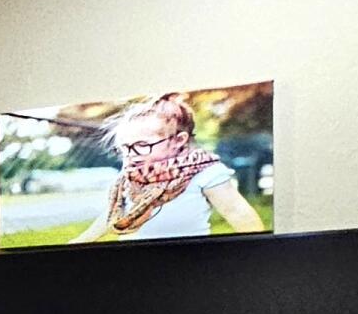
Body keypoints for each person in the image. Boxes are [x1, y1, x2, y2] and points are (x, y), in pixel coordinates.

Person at [72, 95, 264, 242]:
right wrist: (80, 241)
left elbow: (236, 211)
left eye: (142, 144)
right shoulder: (129, 178)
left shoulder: (204, 171)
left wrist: (259, 249)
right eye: (125, 147)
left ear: (178, 141)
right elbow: (112, 214)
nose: (131, 153)